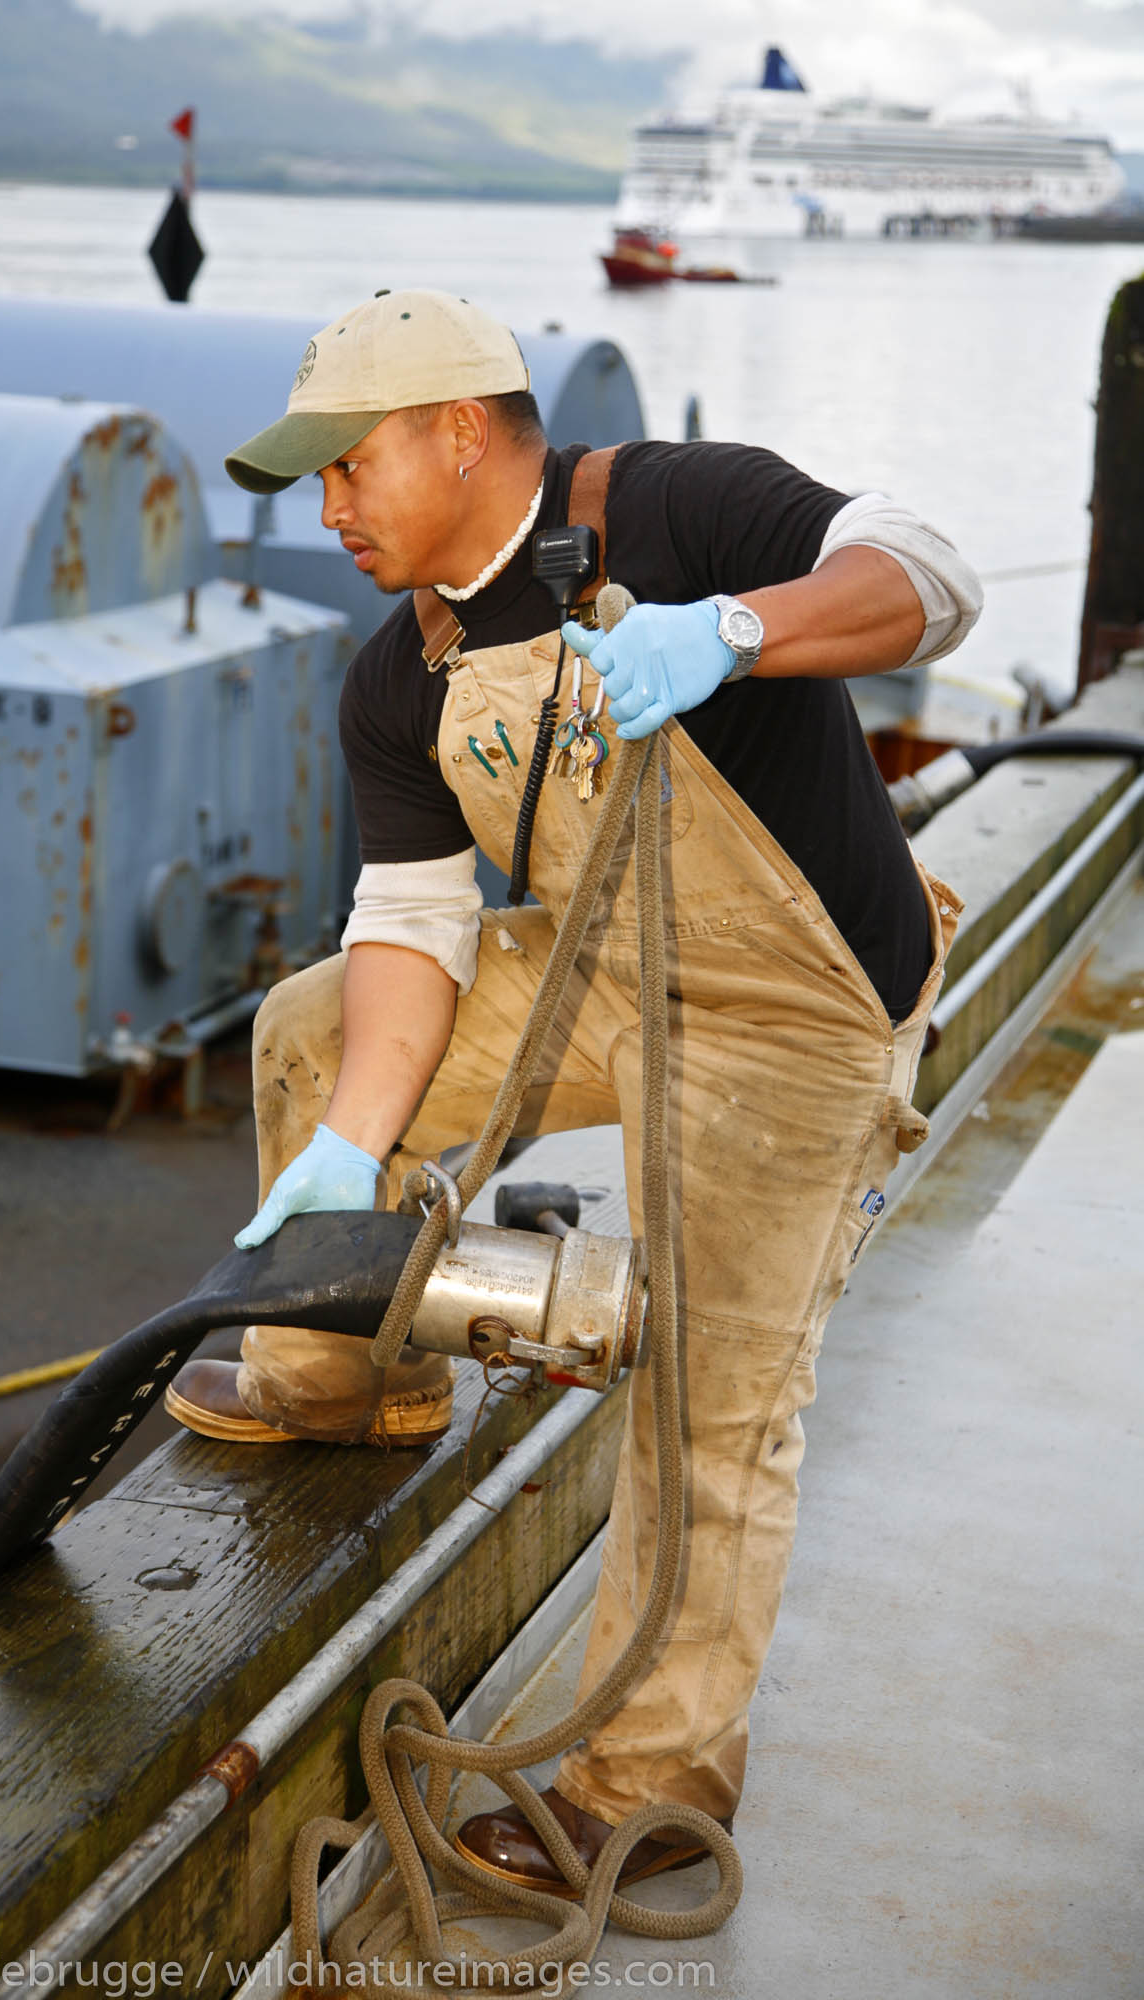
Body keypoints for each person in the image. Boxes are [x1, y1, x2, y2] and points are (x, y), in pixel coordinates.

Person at [165, 289, 981, 1894]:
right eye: (310, 485)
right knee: (316, 1025)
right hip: (604, 967)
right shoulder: (399, 673)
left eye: (344, 470)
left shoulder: (678, 509)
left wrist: (734, 629)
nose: (325, 511)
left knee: (711, 1392)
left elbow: (930, 579)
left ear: (460, 432)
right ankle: (342, 1382)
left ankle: (652, 1787)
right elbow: (412, 925)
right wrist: (344, 1151)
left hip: (796, 1002)